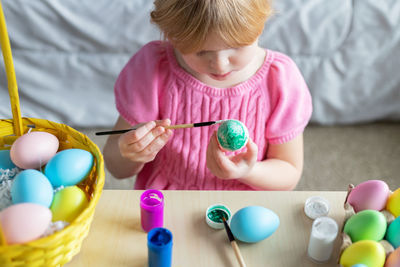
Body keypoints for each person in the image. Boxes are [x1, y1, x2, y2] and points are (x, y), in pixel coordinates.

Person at [103, 0, 312, 191]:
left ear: (260, 25)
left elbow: (289, 173)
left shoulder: (280, 80)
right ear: (171, 36)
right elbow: (116, 168)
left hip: (245, 206)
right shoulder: (153, 68)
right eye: (201, 52)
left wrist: (248, 171)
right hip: (172, 199)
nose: (220, 65)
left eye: (237, 46)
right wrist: (130, 152)